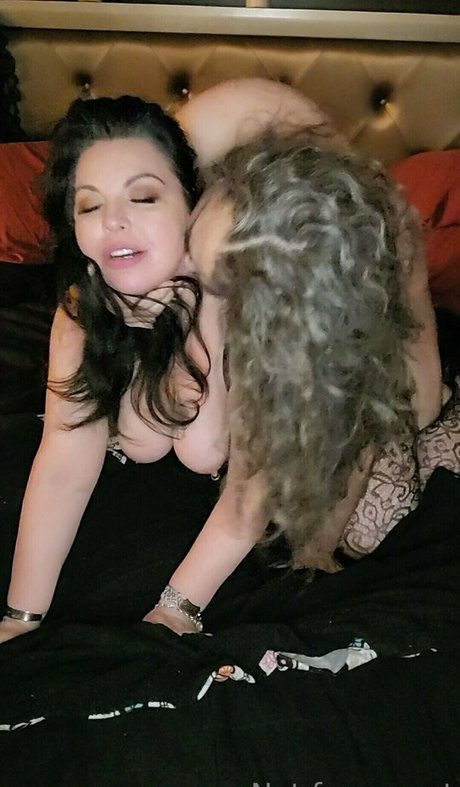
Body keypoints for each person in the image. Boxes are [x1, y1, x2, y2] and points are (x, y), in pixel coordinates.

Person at [0, 94, 231, 643]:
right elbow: (63, 465)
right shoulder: (86, 306)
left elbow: (236, 469)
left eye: (143, 197)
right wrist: (19, 619)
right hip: (131, 508)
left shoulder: (249, 288)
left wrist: (177, 609)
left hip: (236, 535)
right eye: (88, 206)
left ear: (191, 204)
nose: (113, 223)